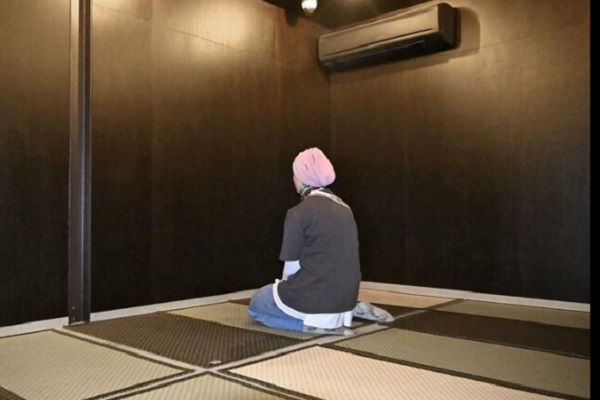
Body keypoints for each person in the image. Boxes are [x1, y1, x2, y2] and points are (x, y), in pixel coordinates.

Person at [248, 147, 392, 335]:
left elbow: (291, 267)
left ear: (302, 177)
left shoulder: (298, 213)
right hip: (346, 296)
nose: (293, 178)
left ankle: (310, 325)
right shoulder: (345, 208)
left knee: (258, 304)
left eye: (295, 174)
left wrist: (286, 291)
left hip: (315, 297)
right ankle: (351, 310)